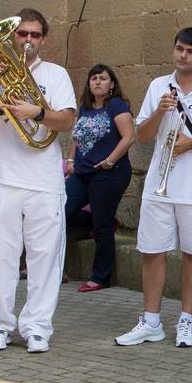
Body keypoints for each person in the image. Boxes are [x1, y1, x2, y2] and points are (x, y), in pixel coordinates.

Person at [114, 28, 192, 349]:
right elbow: (141, 136)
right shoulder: (159, 86)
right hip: (160, 183)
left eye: (191, 51)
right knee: (152, 251)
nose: (184, 55)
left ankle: (186, 320)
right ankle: (151, 321)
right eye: (180, 49)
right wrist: (159, 111)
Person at [0, 9, 77, 353]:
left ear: (43, 38)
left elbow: (68, 121)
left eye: (35, 35)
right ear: (13, 37)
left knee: (45, 256)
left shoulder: (56, 75)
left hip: (44, 178)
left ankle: (38, 327)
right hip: (1, 175)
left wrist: (37, 113)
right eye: (22, 34)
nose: (28, 40)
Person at [65, 64, 134, 292]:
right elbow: (77, 136)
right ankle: (52, 268)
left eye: (103, 78)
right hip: (83, 173)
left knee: (102, 225)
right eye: (93, 78)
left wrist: (110, 161)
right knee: (58, 211)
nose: (97, 82)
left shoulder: (117, 105)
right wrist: (71, 161)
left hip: (109, 174)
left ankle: (101, 276)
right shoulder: (84, 108)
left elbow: (128, 137)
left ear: (111, 84)